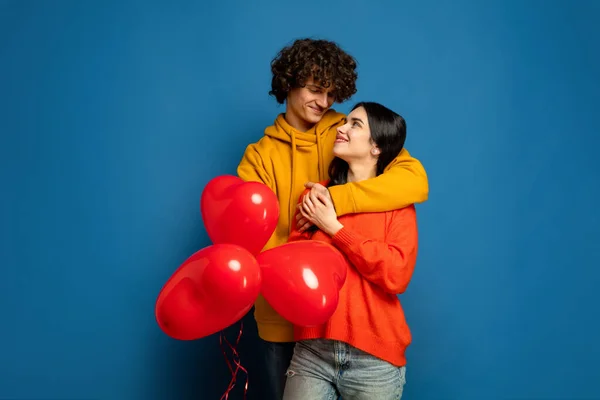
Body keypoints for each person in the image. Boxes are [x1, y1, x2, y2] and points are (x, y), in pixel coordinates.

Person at [236, 38, 427, 400]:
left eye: (330, 94)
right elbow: (250, 233)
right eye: (314, 90)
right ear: (288, 84)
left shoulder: (349, 131)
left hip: (355, 323)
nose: (323, 103)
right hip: (284, 317)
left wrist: (332, 203)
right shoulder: (258, 156)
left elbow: (415, 180)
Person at [282, 101, 417, 400]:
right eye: (345, 121)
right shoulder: (316, 196)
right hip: (312, 350)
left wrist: (335, 229)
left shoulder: (398, 205)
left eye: (355, 124)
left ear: (376, 147)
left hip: (374, 358)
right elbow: (294, 275)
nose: (341, 128)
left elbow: (396, 275)